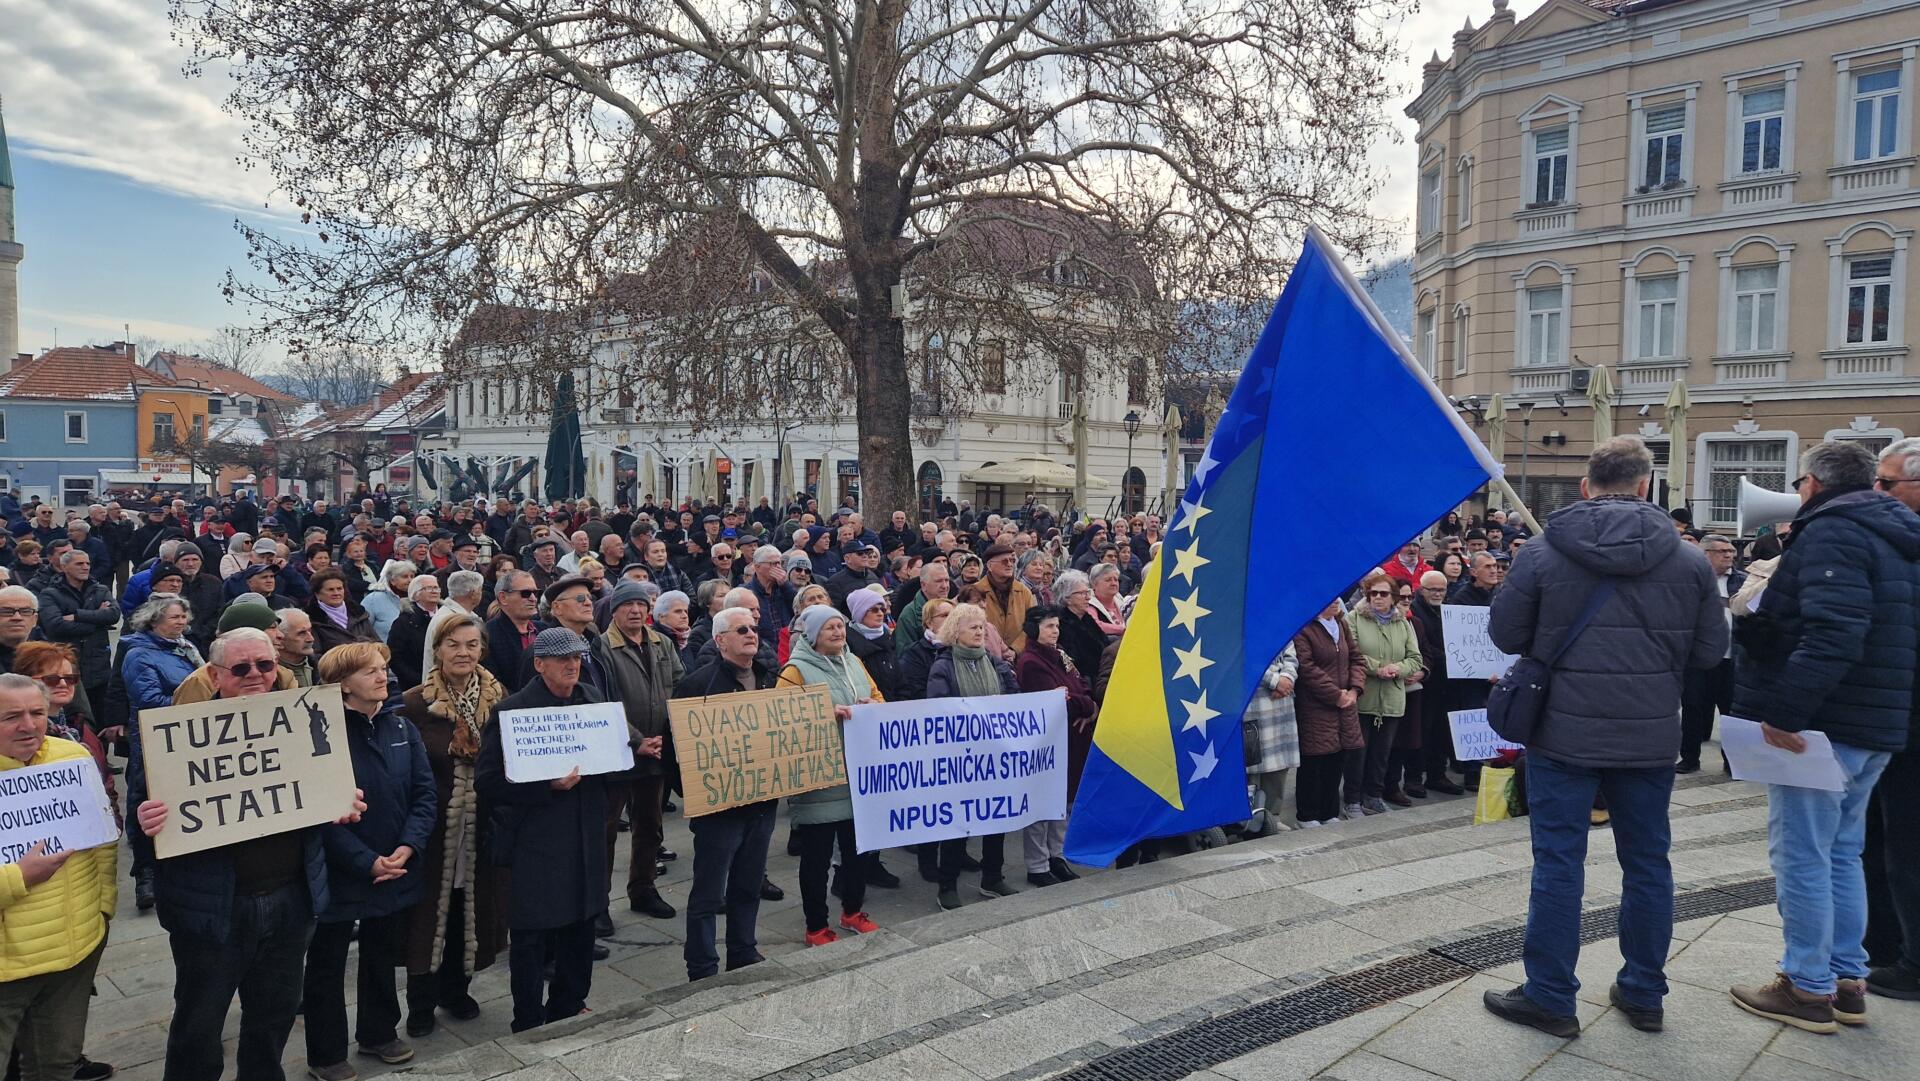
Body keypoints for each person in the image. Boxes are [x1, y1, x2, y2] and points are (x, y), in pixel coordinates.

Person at [1481, 436, 1727, 1038]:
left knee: (1559, 863)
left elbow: (1506, 635)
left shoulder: (1543, 553)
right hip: (1649, 736)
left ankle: (1550, 996)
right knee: (1648, 864)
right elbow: (1709, 653)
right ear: (1646, 486)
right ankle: (1644, 992)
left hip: (1562, 733)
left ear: (1586, 486)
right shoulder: (1692, 561)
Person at [1725, 441, 1920, 1032]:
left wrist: (1784, 713)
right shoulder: (1898, 534)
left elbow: (1834, 634)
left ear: (1811, 484)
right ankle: (1846, 979)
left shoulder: (1835, 532)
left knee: (1802, 855)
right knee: (1841, 852)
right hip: (1874, 721)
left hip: (1827, 724)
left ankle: (1807, 986)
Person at [133, 627, 368, 1081]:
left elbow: (314, 798)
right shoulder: (176, 737)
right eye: (241, 668)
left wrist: (341, 802)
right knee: (199, 1022)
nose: (255, 675)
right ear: (215, 675)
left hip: (290, 899)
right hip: (214, 909)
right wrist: (147, 823)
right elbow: (142, 836)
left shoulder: (301, 722)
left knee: (274, 1014)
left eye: (265, 665)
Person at [303, 642, 436, 1079]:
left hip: (394, 861)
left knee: (381, 952)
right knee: (327, 963)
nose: (384, 677)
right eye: (371, 672)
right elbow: (318, 814)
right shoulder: (318, 736)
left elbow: (424, 793)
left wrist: (409, 846)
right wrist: (365, 861)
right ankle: (326, 1054)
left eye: (384, 669)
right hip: (341, 870)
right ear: (342, 685)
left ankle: (378, 1032)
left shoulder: (400, 726)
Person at [476, 628, 610, 1032]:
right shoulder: (512, 711)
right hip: (536, 838)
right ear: (539, 664)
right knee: (532, 933)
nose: (573, 665)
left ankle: (570, 1003)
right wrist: (546, 785)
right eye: (563, 659)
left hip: (585, 833)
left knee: (582, 925)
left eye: (577, 657)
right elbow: (488, 781)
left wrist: (631, 748)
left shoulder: (591, 699)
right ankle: (529, 1018)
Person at [0, 673, 117, 1081]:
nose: (28, 725)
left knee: (55, 1065)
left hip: (74, 951)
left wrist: (103, 909)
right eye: (11, 717)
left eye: (37, 713)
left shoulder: (72, 758)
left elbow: (103, 842)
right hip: (6, 966)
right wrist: (18, 877)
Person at [399, 612, 509, 1037]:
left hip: (480, 828)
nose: (463, 653)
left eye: (472, 645)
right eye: (454, 645)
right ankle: (420, 1002)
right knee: (427, 918)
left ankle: (457, 989)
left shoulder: (500, 697)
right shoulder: (414, 704)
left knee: (471, 910)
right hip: (434, 831)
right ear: (438, 650)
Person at [672, 606, 782, 980]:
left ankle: (743, 950)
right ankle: (702, 964)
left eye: (753, 628)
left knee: (748, 884)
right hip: (719, 809)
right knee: (708, 892)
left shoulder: (771, 678)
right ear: (720, 640)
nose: (752, 634)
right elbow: (677, 748)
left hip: (762, 803)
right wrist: (694, 792)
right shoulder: (698, 685)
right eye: (741, 630)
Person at [778, 605, 883, 945]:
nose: (838, 632)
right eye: (829, 628)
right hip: (820, 779)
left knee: (857, 853)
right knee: (817, 859)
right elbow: (782, 717)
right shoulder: (795, 670)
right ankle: (816, 926)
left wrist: (874, 707)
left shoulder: (854, 662)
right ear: (813, 635)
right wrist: (824, 714)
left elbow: (878, 696)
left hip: (857, 775)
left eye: (840, 626)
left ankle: (852, 911)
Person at [592, 582, 683, 924]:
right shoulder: (602, 647)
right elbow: (604, 701)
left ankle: (643, 888)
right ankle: (598, 903)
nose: (635, 610)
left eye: (641, 604)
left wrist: (666, 735)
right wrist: (636, 740)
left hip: (656, 750)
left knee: (650, 825)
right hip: (619, 751)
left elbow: (678, 684)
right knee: (606, 830)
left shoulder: (661, 642)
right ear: (614, 610)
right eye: (627, 605)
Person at [926, 603, 1022, 907]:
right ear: (956, 632)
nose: (980, 632)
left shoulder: (994, 662)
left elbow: (1014, 697)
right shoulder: (943, 666)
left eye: (982, 627)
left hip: (994, 756)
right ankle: (947, 885)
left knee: (997, 820)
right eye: (973, 627)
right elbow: (939, 709)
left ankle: (992, 877)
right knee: (957, 823)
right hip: (960, 759)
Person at [1013, 605, 1095, 887]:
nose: (1055, 631)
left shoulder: (1060, 655)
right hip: (1048, 745)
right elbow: (1058, 704)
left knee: (1064, 802)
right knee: (1043, 805)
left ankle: (1056, 855)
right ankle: (1037, 864)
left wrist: (1088, 706)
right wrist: (1083, 705)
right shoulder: (1031, 662)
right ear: (1034, 629)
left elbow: (1082, 688)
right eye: (1049, 626)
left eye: (1057, 626)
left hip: (1072, 740)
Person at [1348, 570, 1423, 815]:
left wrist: (1398, 669)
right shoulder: (1354, 618)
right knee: (1358, 753)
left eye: (1383, 593)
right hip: (1364, 696)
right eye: (1373, 593)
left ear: (1393, 597)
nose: (1378, 598)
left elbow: (1415, 658)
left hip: (1392, 698)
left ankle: (1374, 795)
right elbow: (1353, 652)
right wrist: (1377, 668)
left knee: (1382, 753)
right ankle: (1352, 799)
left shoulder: (1402, 623)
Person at [1291, 599, 1366, 827]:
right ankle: (1307, 814)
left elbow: (1356, 658)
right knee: (1314, 760)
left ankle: (1329, 811)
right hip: (1316, 705)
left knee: (1337, 758)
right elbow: (1307, 667)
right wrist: (1335, 694)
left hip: (1345, 704)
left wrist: (1354, 689)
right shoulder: (1304, 628)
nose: (1335, 602)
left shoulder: (1341, 625)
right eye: (1329, 599)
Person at [1676, 535, 1742, 775]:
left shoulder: (1742, 581)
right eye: (1722, 551)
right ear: (1706, 555)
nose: (1729, 555)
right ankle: (1689, 758)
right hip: (1696, 658)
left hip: (1731, 658)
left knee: (1730, 711)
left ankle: (1733, 762)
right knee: (1692, 707)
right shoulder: (1689, 580)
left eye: (1731, 551)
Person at [35, 550, 114, 719]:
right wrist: (97, 622)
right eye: (79, 564)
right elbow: (55, 626)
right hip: (67, 667)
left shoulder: (100, 590)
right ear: (64, 567)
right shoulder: (50, 593)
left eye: (87, 563)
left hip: (98, 665)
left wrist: (77, 615)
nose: (85, 567)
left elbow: (113, 615)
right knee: (75, 717)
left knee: (101, 718)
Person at [1242, 642, 1300, 834]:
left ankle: (1272, 817)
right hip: (1253, 701)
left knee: (1279, 766)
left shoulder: (1278, 624)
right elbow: (1240, 658)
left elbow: (1291, 656)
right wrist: (1274, 681)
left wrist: (1287, 678)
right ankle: (1247, 818)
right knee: (1250, 765)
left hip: (1281, 702)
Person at [964, 544, 1034, 655]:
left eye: (1012, 560)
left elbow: (1032, 623)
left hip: (1019, 657)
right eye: (1004, 561)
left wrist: (1015, 649)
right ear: (990, 566)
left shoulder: (1023, 591)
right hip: (986, 655)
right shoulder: (975, 591)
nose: (1009, 564)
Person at [387, 575, 443, 692]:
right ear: (415, 594)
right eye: (428, 588)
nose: (434, 591)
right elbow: (395, 657)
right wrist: (418, 680)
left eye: (436, 588)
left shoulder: (448, 616)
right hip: (416, 686)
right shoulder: (404, 622)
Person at [364, 560, 417, 642]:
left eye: (412, 576)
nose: (410, 580)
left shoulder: (418, 599)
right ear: (392, 580)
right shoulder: (373, 599)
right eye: (405, 577)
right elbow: (363, 630)